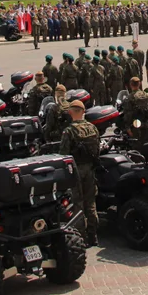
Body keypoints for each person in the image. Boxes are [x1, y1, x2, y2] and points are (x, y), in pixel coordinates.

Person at [59, 100, 100, 246]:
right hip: (90, 169)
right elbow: (97, 150)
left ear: (71, 112)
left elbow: (64, 154)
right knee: (91, 202)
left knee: (77, 204)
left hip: (76, 170)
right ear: (83, 112)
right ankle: (93, 235)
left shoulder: (69, 131)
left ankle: (81, 237)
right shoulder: (93, 128)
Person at [120, 77, 148, 145]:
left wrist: (128, 128)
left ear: (131, 85)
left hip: (136, 126)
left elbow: (128, 114)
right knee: (146, 144)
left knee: (136, 145)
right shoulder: (145, 95)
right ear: (139, 84)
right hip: (146, 124)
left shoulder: (130, 97)